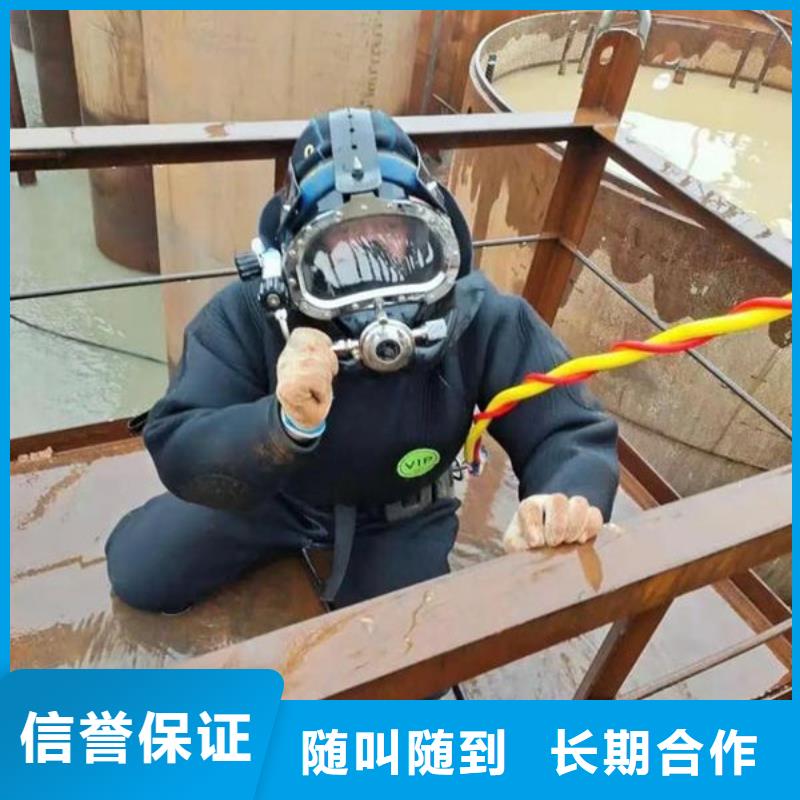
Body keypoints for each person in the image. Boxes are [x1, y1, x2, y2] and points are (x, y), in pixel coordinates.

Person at [106, 108, 619, 615]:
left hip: (402, 512)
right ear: (294, 256)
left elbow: (568, 427)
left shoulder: (481, 317)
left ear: (432, 235)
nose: (373, 263)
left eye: (393, 234)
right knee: (139, 572)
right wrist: (279, 425)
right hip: (278, 495)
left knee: (403, 662)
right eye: (341, 243)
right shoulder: (252, 313)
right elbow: (180, 436)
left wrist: (564, 495)